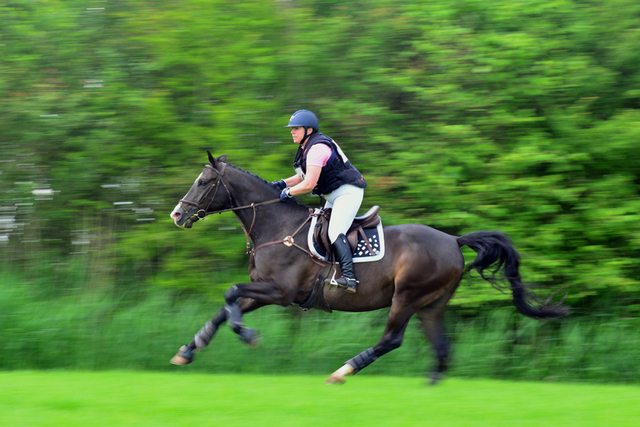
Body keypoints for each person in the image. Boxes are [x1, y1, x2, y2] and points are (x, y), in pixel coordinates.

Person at [272, 110, 367, 293]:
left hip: (348, 192)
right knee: (318, 229)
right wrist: (282, 183)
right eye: (292, 129)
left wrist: (288, 193)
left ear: (308, 130)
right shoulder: (306, 147)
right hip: (334, 195)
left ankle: (349, 278)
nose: (292, 132)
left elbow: (309, 184)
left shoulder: (317, 148)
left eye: (296, 128)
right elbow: (302, 176)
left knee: (334, 231)